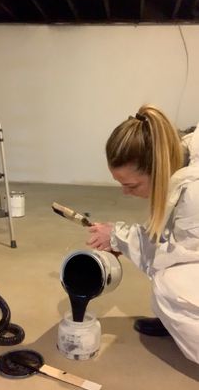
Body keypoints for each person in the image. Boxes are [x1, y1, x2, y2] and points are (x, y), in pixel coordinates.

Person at [87, 104, 199, 364]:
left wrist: (118, 237)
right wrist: (120, 237)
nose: (125, 193)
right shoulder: (179, 156)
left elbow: (173, 256)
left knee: (169, 286)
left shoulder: (195, 193)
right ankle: (176, 322)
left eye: (131, 185)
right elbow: (172, 232)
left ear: (157, 169)